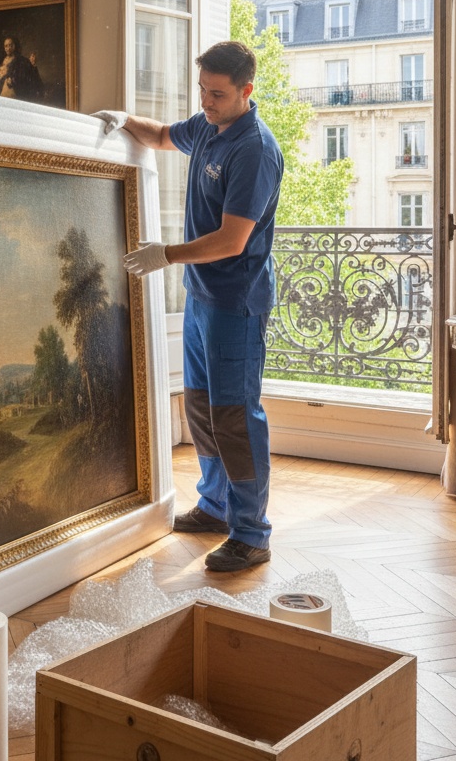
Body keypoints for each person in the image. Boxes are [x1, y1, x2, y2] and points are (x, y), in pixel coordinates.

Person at [94, 40, 283, 573]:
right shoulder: (207, 126)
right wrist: (120, 119)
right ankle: (215, 506)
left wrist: (167, 255)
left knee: (235, 417)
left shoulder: (254, 150)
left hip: (235, 302)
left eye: (218, 93)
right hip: (202, 297)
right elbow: (158, 136)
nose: (207, 101)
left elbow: (232, 240)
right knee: (200, 407)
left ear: (247, 91)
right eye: (201, 89)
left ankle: (252, 533)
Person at [0, 36, 43, 101]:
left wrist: (33, 65)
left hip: (10, 89)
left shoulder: (20, 60)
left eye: (11, 45)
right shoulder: (2, 60)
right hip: (0, 87)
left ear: (15, 46)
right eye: (6, 46)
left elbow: (25, 76)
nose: (8, 48)